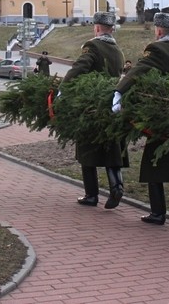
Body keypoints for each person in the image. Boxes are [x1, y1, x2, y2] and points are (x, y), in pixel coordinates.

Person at [114, 12, 169, 226]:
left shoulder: (156, 49)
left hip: (162, 116)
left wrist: (119, 91)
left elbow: (138, 71)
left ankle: (159, 212)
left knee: (152, 166)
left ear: (159, 30)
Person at [62, 11, 127, 209]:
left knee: (87, 152)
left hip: (92, 105)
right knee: (111, 148)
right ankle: (116, 186)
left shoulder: (93, 46)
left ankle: (91, 195)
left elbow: (80, 67)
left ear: (97, 28)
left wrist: (63, 87)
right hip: (112, 104)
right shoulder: (118, 50)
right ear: (111, 29)